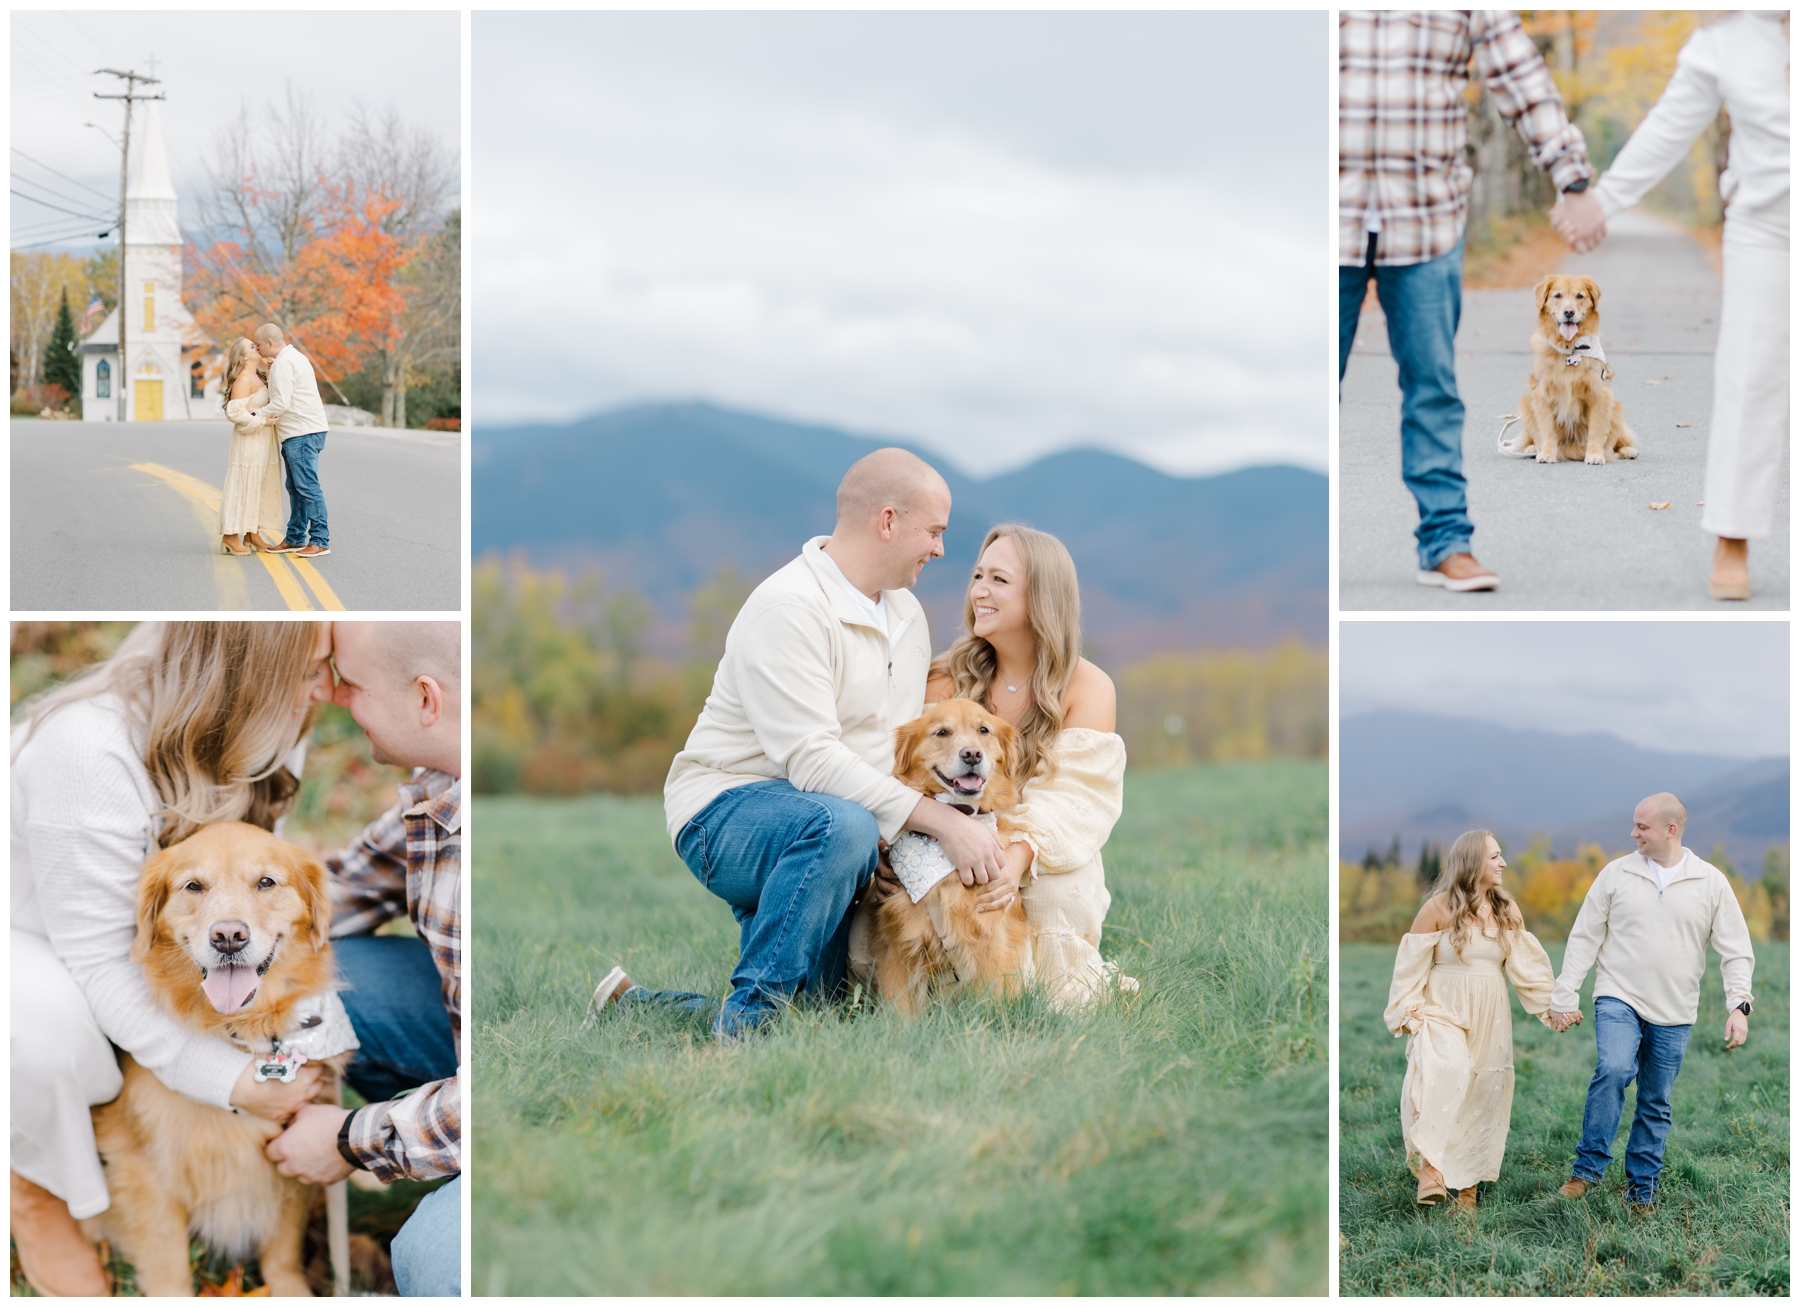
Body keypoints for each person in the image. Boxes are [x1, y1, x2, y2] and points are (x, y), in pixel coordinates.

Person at [595, 448, 1007, 1039]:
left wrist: (892, 840)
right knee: (842, 829)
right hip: (729, 811)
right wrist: (941, 824)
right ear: (887, 521)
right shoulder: (789, 607)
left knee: (820, 1015)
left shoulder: (908, 616)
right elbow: (812, 761)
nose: (941, 550)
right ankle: (740, 1041)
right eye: (934, 532)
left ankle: (634, 1008)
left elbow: (891, 755)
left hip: (838, 821)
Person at [9, 622, 334, 1296]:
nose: (327, 688)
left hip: (177, 935)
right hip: (33, 939)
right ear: (247, 675)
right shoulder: (87, 749)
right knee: (53, 1036)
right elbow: (103, 960)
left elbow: (261, 876)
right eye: (315, 666)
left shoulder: (280, 715)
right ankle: (37, 1187)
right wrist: (230, 1080)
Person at [1339, 10, 1601, 593]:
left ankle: (1446, 544)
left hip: (1425, 216)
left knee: (1432, 386)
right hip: (1327, 216)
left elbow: (1519, 73)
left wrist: (1573, 179)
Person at [1551, 12, 1789, 603]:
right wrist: (1602, 200)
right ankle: (1732, 537)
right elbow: (1670, 127)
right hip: (1769, 225)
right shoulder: (1732, 35)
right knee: (1749, 375)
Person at [266, 621, 463, 1296]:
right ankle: (442, 1152)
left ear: (426, 700)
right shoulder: (439, 787)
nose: (334, 696)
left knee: (433, 1258)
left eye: (350, 684)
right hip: (477, 1050)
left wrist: (351, 1137)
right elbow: (339, 893)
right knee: (328, 972)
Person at [899, 523, 1135, 1008]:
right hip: (940, 836)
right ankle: (943, 1000)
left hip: (1041, 848)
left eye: (999, 581)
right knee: (895, 911)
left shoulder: (1087, 687)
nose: (979, 591)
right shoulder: (944, 677)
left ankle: (1038, 1000)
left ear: (1042, 597)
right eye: (978, 576)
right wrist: (893, 848)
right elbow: (907, 771)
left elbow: (1075, 797)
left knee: (1052, 895)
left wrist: (1017, 857)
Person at [1547, 793, 1754, 1213]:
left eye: (1642, 826)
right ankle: (1586, 1170)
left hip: (1675, 1011)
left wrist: (1739, 1005)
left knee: (1656, 1100)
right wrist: (1564, 993)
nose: (1633, 832)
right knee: (1614, 1068)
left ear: (1670, 830)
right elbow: (1584, 936)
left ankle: (1642, 1187)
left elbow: (1735, 949)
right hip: (1618, 995)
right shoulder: (1615, 874)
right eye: (1634, 825)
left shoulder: (1710, 881)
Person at [1384, 830, 1560, 1210]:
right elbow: (1409, 968)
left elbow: (1527, 970)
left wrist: (1555, 1007)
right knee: (1444, 1072)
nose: (1503, 863)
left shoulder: (1506, 910)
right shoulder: (1437, 908)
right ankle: (1431, 1168)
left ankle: (1468, 1192)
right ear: (1473, 863)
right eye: (1495, 856)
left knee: (1482, 1095)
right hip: (1442, 1010)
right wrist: (1409, 1011)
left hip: (1491, 1016)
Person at [253, 323, 332, 559]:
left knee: (307, 486)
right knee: (296, 487)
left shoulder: (284, 363)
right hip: (301, 431)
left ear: (269, 343)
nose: (256, 349)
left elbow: (280, 403)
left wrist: (254, 415)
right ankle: (295, 538)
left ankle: (320, 540)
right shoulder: (290, 358)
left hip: (302, 433)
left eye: (257, 344)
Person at [219, 336, 286, 557]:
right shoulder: (243, 379)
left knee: (259, 484)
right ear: (244, 355)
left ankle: (251, 532)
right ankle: (229, 536)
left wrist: (272, 371)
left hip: (264, 441)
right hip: (249, 441)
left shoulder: (258, 376)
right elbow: (234, 413)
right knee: (243, 484)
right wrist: (261, 422)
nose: (256, 347)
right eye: (251, 346)